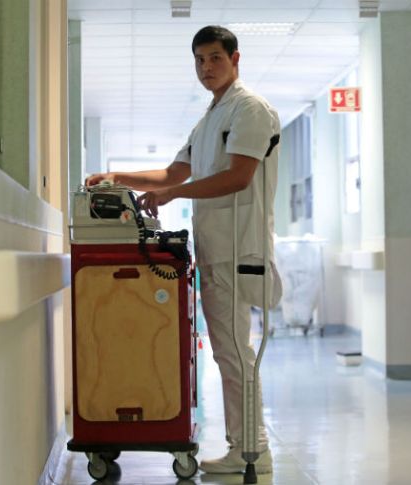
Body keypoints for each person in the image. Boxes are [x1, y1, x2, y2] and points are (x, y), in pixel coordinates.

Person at [85, 25, 281, 475]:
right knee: (228, 352)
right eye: (199, 60)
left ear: (235, 59)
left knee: (235, 353)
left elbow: (239, 177)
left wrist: (174, 195)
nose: (206, 67)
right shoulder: (210, 117)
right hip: (217, 249)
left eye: (215, 58)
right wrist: (117, 178)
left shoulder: (249, 109)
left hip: (239, 248)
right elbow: (174, 173)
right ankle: (245, 445)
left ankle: (251, 449)